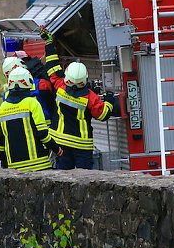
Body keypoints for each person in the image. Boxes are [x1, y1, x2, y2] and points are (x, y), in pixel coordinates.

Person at [43, 36, 121, 170]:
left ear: (67, 75)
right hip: (82, 146)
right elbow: (103, 115)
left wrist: (49, 44)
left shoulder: (60, 86)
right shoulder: (91, 97)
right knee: (84, 178)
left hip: (60, 142)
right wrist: (109, 99)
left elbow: (52, 67)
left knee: (63, 177)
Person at [0, 66, 61, 172]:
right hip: (38, 164)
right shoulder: (32, 103)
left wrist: (4, 162)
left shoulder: (2, 108)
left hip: (14, 168)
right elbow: (42, 133)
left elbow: (0, 140)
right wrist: (56, 149)